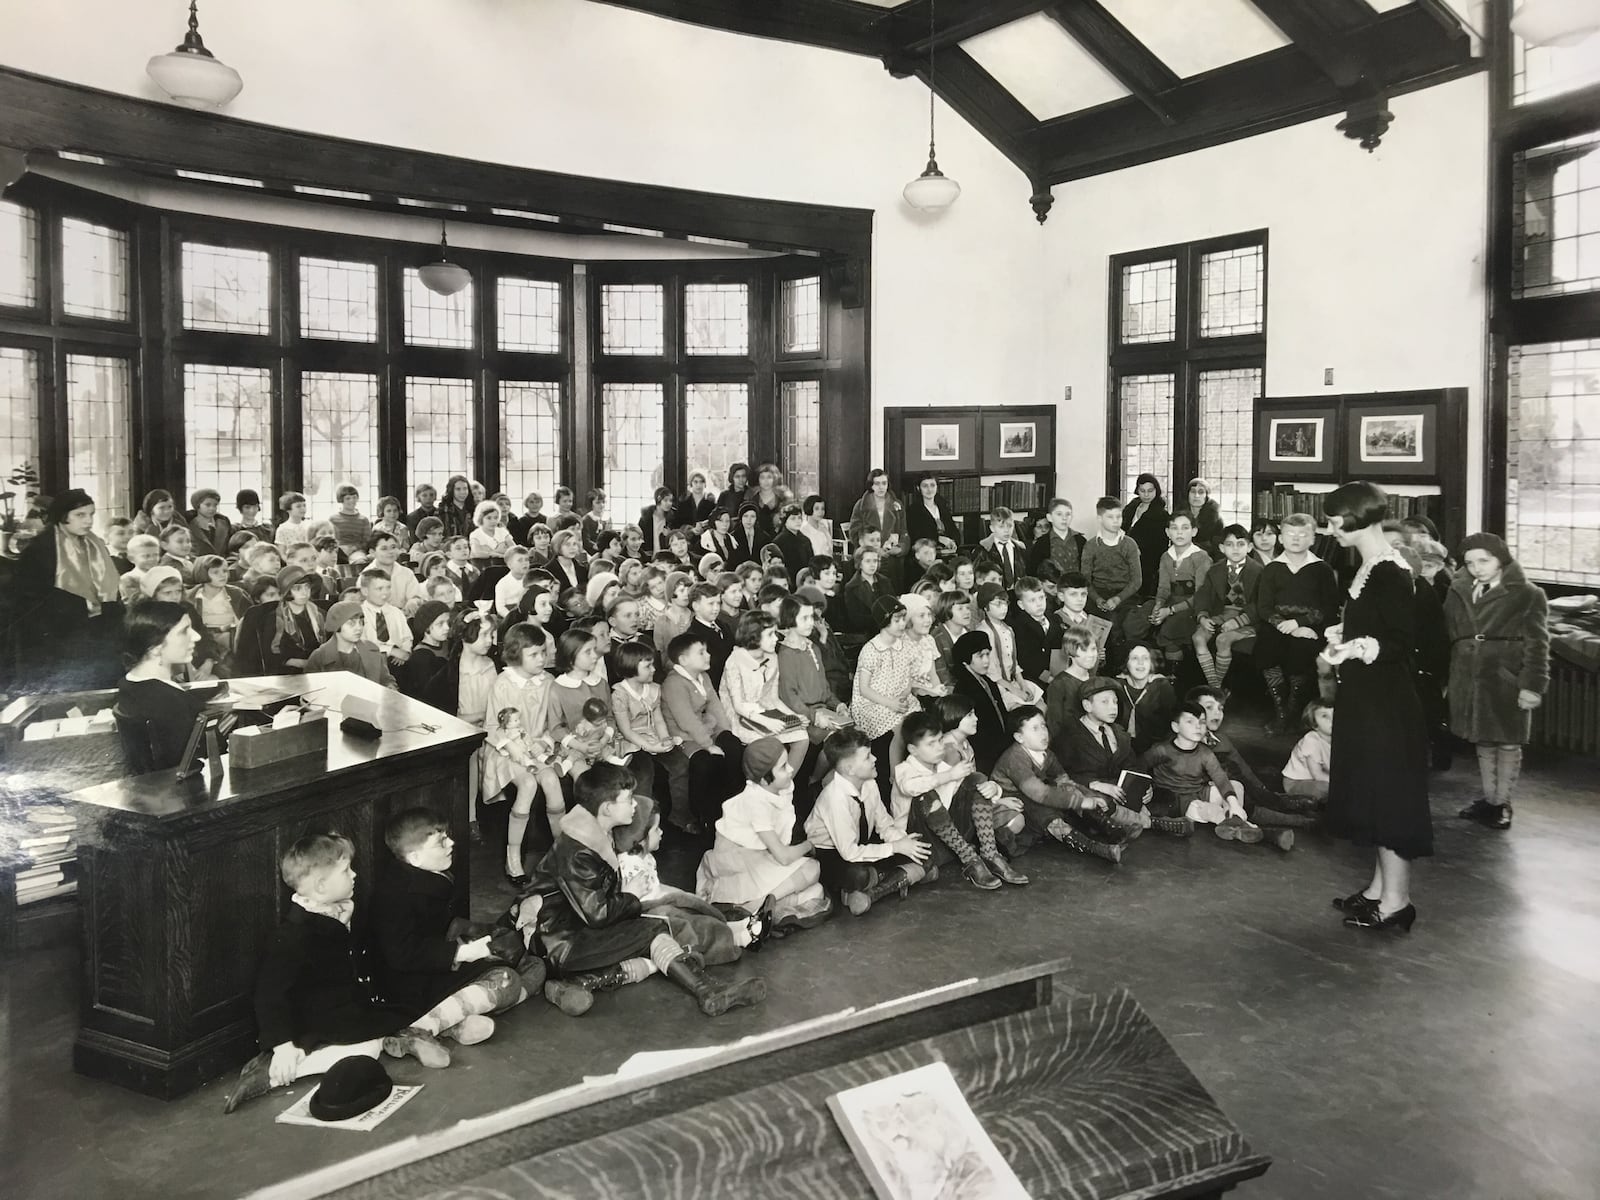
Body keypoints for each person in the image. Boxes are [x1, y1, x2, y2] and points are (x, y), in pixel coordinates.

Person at [222, 832, 482, 1113]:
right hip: (321, 1020)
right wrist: (282, 1045)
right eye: (346, 870)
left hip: (349, 1007)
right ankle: (274, 1072)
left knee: (403, 1011)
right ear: (321, 886)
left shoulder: (336, 910)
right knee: (366, 1050)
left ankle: (409, 1035)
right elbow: (269, 994)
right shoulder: (294, 934)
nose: (355, 875)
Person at [532, 767, 764, 1016]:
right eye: (628, 799)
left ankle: (585, 981)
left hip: (574, 930)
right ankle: (706, 990)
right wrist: (630, 895)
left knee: (656, 930)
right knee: (654, 929)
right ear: (607, 808)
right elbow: (598, 914)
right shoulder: (578, 850)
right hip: (560, 942)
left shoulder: (595, 833)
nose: (634, 805)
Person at [1320, 482, 1431, 932]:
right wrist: (1343, 637)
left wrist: (1357, 646)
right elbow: (1373, 625)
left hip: (1387, 702)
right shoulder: (1367, 565)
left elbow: (1403, 643)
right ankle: (1377, 890)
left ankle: (1397, 903)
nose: (1330, 530)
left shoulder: (1390, 571)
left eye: (1334, 521)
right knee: (1370, 791)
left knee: (1389, 799)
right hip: (1366, 696)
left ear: (1360, 518)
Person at [368, 810, 530, 1049]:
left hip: (436, 965)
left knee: (530, 962)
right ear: (414, 857)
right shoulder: (395, 894)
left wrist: (473, 936)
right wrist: (461, 953)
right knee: (507, 979)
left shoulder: (427, 874)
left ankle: (455, 1022)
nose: (451, 843)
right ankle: (420, 1030)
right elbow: (401, 955)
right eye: (441, 841)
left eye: (447, 836)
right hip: (411, 984)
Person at [1444, 532, 1549, 832]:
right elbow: (1447, 631)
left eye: (1484, 560)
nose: (1477, 568)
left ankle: (1502, 802)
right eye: (1469, 562)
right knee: (1483, 738)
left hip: (1505, 679)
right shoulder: (1458, 590)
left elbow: (1538, 644)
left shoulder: (1528, 594)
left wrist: (1531, 685)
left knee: (1507, 740)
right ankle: (1489, 800)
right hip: (1467, 677)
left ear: (1501, 560)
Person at [695, 737, 830, 930]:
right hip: (737, 864)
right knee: (812, 868)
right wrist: (809, 845)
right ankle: (753, 908)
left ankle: (758, 910)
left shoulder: (779, 789)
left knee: (816, 891)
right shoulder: (755, 801)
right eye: (783, 767)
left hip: (760, 856)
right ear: (765, 777)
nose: (790, 769)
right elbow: (783, 856)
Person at [806, 728, 932, 914]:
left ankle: (865, 891)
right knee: (857, 875)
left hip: (860, 843)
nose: (874, 759)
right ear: (850, 769)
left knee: (921, 851)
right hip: (830, 853)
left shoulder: (869, 783)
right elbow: (849, 852)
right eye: (867, 757)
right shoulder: (835, 798)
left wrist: (903, 842)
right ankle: (893, 881)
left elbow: (884, 824)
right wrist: (895, 848)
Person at [893, 710, 1025, 889]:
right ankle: (970, 860)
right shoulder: (904, 770)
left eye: (940, 740)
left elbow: (968, 790)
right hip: (921, 846)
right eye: (931, 744)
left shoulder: (942, 766)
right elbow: (911, 788)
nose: (940, 747)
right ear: (913, 750)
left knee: (976, 779)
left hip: (949, 839)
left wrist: (994, 788)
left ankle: (990, 853)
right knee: (926, 796)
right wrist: (948, 775)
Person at [989, 706, 1131, 861]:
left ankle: (1107, 827)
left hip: (1030, 795)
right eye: (1035, 728)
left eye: (1043, 725)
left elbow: (1063, 779)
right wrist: (1083, 801)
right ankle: (1092, 846)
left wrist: (1087, 796)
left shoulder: (1046, 754)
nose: (1043, 732)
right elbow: (1040, 793)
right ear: (1019, 737)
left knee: (1069, 790)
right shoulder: (1015, 758)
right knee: (1044, 812)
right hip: (1010, 802)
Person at [17, 487, 126, 690]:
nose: (88, 521)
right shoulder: (40, 549)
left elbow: (111, 590)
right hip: (60, 637)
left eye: (91, 514)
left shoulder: (95, 545)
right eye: (80, 515)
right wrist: (82, 607)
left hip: (100, 632)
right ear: (62, 516)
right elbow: (32, 600)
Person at [1255, 512, 1341, 733]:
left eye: (1303, 534)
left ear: (1313, 539)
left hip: (1311, 628)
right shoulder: (1272, 568)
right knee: (1267, 649)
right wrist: (1287, 626)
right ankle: (1281, 711)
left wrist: (1301, 624)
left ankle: (1293, 708)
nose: (1296, 538)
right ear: (1281, 538)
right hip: (1278, 625)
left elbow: (1329, 608)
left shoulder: (1322, 569)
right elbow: (1264, 607)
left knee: (1301, 652)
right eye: (1290, 533)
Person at [661, 630, 742, 831]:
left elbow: (715, 705)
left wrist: (725, 732)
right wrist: (709, 745)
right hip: (684, 736)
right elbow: (686, 720)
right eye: (701, 652)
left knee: (733, 747)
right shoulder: (673, 683)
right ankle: (706, 817)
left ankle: (733, 808)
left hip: (703, 728)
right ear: (683, 659)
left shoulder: (703, 676)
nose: (708, 655)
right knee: (705, 763)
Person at [114, 599, 209, 770]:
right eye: (184, 631)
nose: (197, 636)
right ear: (155, 647)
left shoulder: (129, 684)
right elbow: (193, 764)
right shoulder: (170, 702)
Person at [720, 611, 810, 770]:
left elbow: (773, 699)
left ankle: (785, 782)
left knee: (803, 738)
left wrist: (794, 716)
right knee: (771, 745)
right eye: (770, 634)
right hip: (739, 716)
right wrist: (767, 722)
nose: (776, 638)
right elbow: (738, 706)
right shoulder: (735, 660)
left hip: (764, 709)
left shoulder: (773, 656)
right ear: (754, 636)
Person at [1191, 524, 1264, 690]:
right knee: (1198, 638)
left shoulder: (1259, 571)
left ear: (1250, 547)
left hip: (1248, 620)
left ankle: (1215, 690)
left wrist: (1239, 621)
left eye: (1241, 544)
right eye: (1230, 545)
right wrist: (1202, 616)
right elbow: (1202, 595)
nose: (1235, 549)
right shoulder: (1215, 570)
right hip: (1221, 615)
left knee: (1223, 640)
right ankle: (1215, 687)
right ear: (1222, 548)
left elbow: (1261, 603)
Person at [1081, 496, 1143, 647]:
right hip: (1098, 594)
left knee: (1120, 624)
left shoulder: (1129, 544)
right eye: (1110, 517)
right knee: (1097, 626)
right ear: (1100, 519)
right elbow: (1085, 580)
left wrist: (1118, 599)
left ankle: (1120, 663)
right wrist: (1097, 599)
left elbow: (1136, 581)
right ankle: (1100, 663)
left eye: (1119, 516)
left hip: (1125, 595)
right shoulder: (1091, 545)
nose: (1116, 521)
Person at [949, 629, 1009, 770]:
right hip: (985, 756)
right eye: (980, 656)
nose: (986, 661)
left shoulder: (988, 681)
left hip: (1000, 748)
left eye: (988, 654)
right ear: (966, 659)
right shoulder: (963, 688)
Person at [306, 600, 396, 688]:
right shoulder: (319, 656)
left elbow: (385, 679)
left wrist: (391, 688)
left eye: (361, 622)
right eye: (351, 623)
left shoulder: (372, 650)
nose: (359, 628)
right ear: (336, 626)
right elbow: (309, 689)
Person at [849, 469, 907, 586]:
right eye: (877, 483)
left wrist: (900, 549)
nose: (881, 487)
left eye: (884, 483)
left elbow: (903, 532)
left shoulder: (897, 505)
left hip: (891, 558)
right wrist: (873, 549)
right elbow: (854, 534)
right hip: (868, 557)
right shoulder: (860, 505)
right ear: (871, 485)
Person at [397, 601, 454, 710]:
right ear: (426, 626)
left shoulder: (448, 644)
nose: (447, 627)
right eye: (440, 624)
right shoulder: (421, 656)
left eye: (448, 622)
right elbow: (428, 696)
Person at [266, 566, 323, 673]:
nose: (304, 592)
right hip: (289, 674)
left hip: (319, 670)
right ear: (287, 592)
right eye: (297, 588)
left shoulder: (318, 614)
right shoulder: (275, 619)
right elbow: (272, 656)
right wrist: (305, 663)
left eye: (307, 587)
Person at [1124, 474, 1169, 599]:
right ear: (1137, 490)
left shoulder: (1161, 515)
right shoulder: (1131, 507)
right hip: (1125, 555)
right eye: (1142, 491)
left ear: (1156, 491)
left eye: (1150, 491)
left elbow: (1161, 545)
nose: (1146, 495)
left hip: (1147, 561)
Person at [1282, 699, 1334, 803]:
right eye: (1325, 716)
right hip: (1296, 782)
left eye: (1335, 714)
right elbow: (1317, 775)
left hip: (1319, 780)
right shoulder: (1311, 740)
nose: (1332, 719)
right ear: (1314, 723)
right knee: (1328, 789)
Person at [1028, 497, 1086, 577]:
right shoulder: (1041, 543)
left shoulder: (1080, 541)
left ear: (1072, 516)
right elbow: (1033, 572)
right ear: (1050, 517)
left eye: (1068, 514)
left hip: (1076, 586)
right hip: (1052, 587)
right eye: (1059, 514)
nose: (1064, 518)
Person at [906, 474, 959, 559]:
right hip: (925, 556)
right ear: (918, 488)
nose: (929, 489)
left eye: (932, 485)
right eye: (925, 486)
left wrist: (953, 542)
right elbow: (917, 536)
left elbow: (953, 530)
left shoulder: (943, 506)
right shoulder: (913, 510)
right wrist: (938, 539)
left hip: (948, 553)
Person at [1175, 477, 1225, 557]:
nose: (1196, 496)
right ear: (1187, 494)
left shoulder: (1215, 520)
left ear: (1206, 496)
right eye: (1193, 491)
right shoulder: (1178, 515)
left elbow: (1218, 550)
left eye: (1201, 492)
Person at [184, 488, 234, 559]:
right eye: (208, 505)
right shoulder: (188, 526)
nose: (212, 508)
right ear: (198, 506)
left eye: (215, 505)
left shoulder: (224, 524)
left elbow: (231, 549)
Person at [639, 487, 676, 556]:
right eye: (665, 500)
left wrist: (669, 535)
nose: (669, 503)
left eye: (670, 500)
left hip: (666, 556)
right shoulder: (646, 518)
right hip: (648, 555)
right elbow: (640, 537)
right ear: (658, 500)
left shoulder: (672, 518)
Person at [799, 494, 835, 559]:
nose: (820, 512)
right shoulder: (804, 530)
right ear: (809, 508)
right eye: (817, 509)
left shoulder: (824, 527)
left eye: (822, 509)